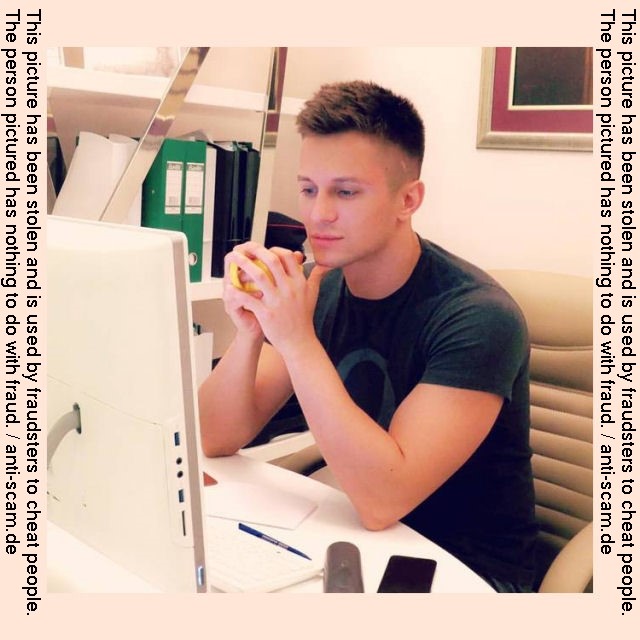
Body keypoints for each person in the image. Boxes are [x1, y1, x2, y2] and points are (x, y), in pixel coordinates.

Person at [198, 80, 538, 592]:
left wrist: (295, 339)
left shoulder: (479, 317)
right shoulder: (320, 288)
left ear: (408, 199)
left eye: (346, 192)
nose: (318, 214)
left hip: (469, 572)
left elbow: (383, 502)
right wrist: (251, 330)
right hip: (360, 542)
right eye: (308, 189)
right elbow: (213, 437)